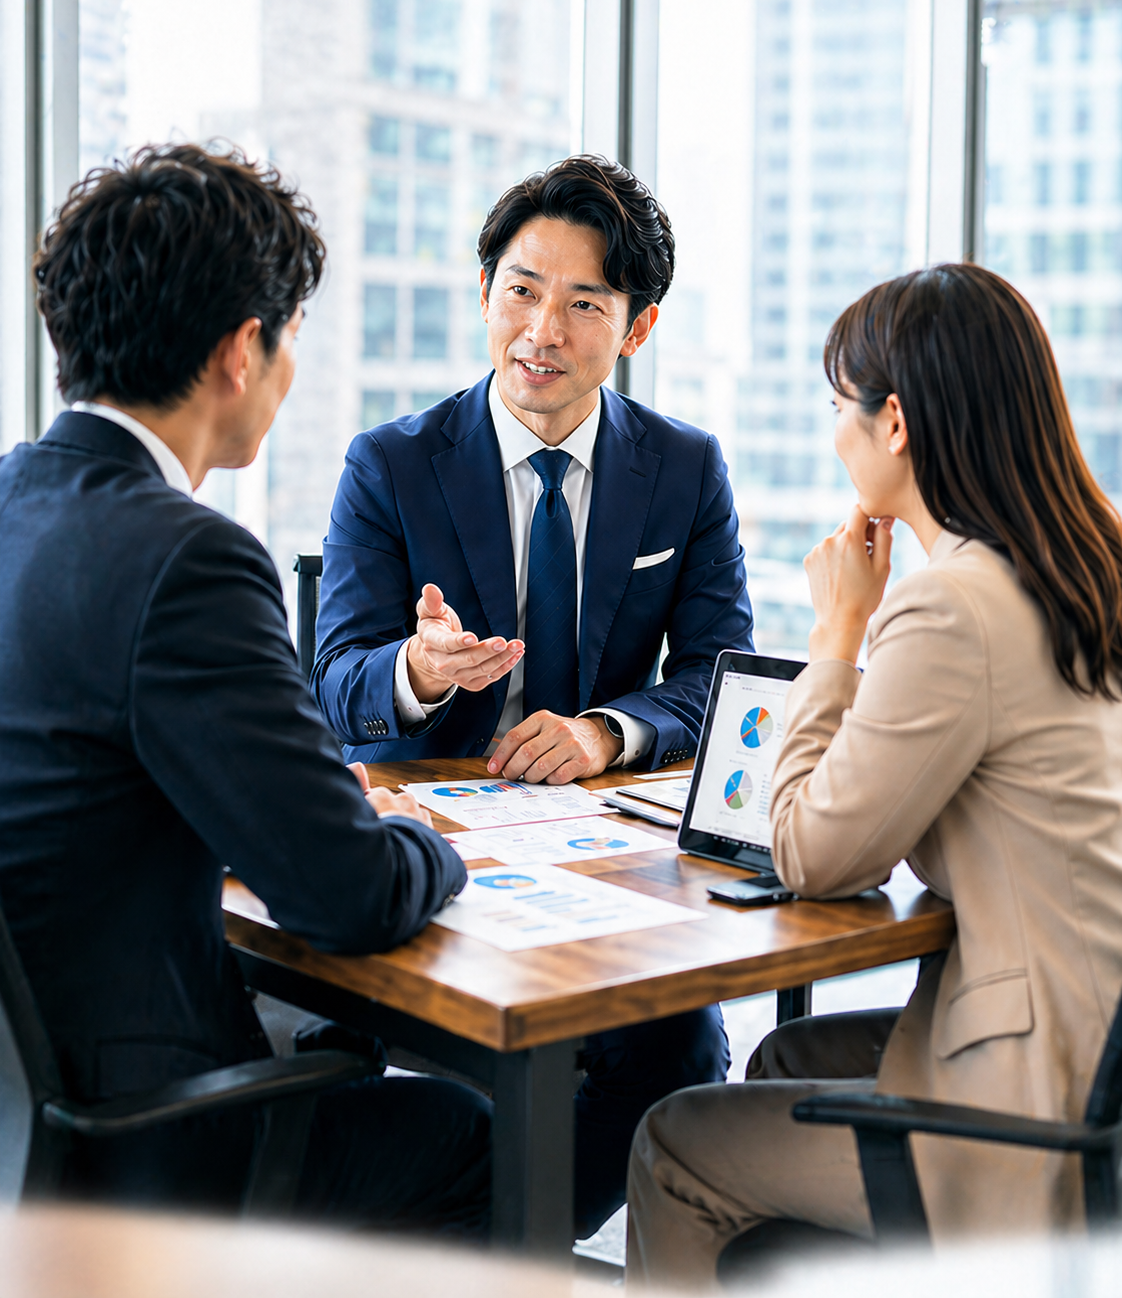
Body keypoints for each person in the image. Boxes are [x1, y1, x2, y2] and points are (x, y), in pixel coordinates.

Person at [0, 144, 490, 1234]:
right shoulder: (187, 557)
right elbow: (351, 897)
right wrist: (434, 839)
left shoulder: (15, 503)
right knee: (472, 1133)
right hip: (136, 1135)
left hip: (24, 1117)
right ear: (241, 350)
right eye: (291, 340)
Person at [626, 262, 1122, 1288]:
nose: (833, 432)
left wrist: (839, 632)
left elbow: (810, 853)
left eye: (835, 407)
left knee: (675, 1145)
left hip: (1031, 1095)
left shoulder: (951, 610)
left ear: (893, 422)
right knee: (786, 1062)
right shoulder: (1086, 561)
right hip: (1093, 1040)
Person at [312, 155, 752, 1237]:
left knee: (689, 1048)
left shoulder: (686, 470)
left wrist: (611, 731)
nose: (541, 330)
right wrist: (414, 676)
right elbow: (333, 686)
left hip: (608, 869)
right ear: (483, 293)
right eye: (520, 289)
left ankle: (498, 1242)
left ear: (634, 329)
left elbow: (718, 674)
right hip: (435, 862)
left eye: (582, 303)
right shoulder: (392, 464)